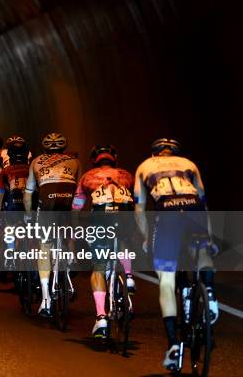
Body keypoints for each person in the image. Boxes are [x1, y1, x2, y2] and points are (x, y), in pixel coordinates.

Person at [134, 138, 218, 371]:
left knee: (167, 282)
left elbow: (139, 208)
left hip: (167, 217)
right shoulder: (189, 163)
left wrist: (144, 237)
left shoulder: (144, 166)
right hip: (194, 211)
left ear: (154, 154)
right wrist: (209, 237)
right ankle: (209, 292)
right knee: (202, 253)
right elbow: (203, 201)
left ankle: (173, 346)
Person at [72, 145, 136, 338]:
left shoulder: (87, 177)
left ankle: (101, 317)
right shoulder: (127, 175)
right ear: (113, 158)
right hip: (124, 216)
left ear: (94, 160)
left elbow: (77, 206)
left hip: (100, 218)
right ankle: (129, 275)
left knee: (99, 267)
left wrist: (75, 229)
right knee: (123, 237)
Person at [24, 133, 81, 317]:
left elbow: (28, 193)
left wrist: (28, 216)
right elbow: (81, 191)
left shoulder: (36, 161)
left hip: (47, 203)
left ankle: (46, 299)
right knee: (69, 229)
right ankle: (72, 261)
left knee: (45, 245)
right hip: (67, 203)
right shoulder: (74, 161)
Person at [0, 137, 31, 268]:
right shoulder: (32, 168)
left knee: (9, 226)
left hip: (13, 202)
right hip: (29, 204)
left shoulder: (5, 171)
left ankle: (10, 253)